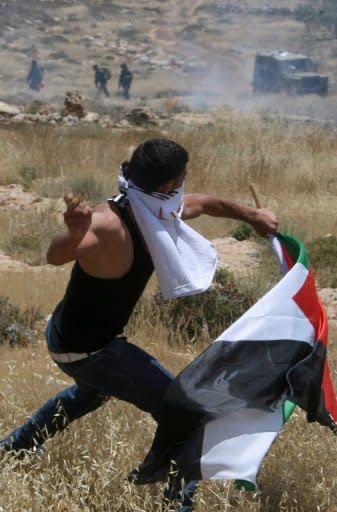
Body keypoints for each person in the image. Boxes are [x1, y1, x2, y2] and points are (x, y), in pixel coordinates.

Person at [1, 139, 278, 511]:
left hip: (70, 335)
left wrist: (253, 216)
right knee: (187, 416)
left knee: (93, 392)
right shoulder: (108, 224)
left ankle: (15, 446)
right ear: (166, 185)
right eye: (182, 179)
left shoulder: (154, 209)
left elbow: (207, 203)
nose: (184, 186)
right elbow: (53, 256)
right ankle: (176, 506)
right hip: (89, 351)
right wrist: (74, 233)